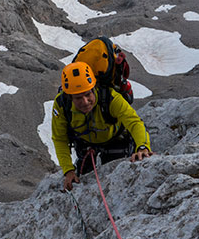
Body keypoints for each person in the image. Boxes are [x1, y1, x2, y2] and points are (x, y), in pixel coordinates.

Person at [52, 61, 153, 191]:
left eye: (88, 94)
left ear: (94, 88)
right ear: (69, 97)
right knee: (85, 178)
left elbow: (134, 122)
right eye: (78, 98)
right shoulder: (61, 105)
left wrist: (143, 146)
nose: (85, 102)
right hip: (85, 144)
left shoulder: (110, 97)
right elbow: (60, 139)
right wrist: (68, 171)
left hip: (116, 140)